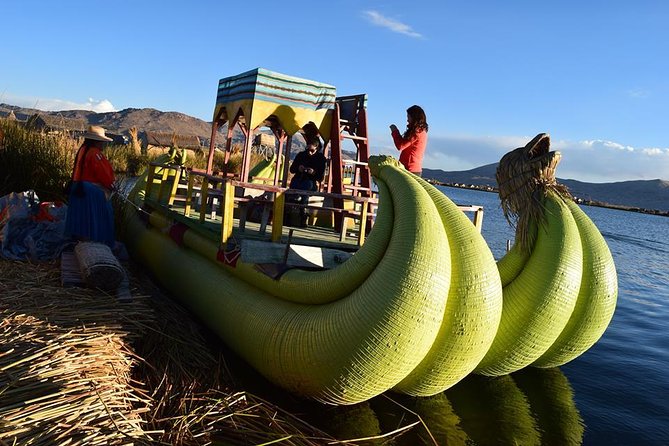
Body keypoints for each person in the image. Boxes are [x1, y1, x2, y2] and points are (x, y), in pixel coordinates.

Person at [64, 125, 116, 247]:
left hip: (78, 188)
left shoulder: (83, 149)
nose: (103, 145)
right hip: (90, 192)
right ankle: (97, 244)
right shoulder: (95, 154)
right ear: (96, 141)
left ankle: (82, 243)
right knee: (101, 216)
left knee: (82, 220)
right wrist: (112, 186)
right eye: (102, 142)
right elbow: (104, 175)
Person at [288, 138, 326, 226]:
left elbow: (320, 178)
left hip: (310, 182)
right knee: (291, 191)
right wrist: (298, 168)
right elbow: (292, 170)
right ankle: (289, 215)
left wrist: (313, 172)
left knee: (305, 191)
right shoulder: (301, 155)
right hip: (298, 180)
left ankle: (302, 216)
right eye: (308, 149)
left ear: (317, 148)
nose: (309, 152)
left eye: (312, 150)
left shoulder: (320, 158)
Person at [389, 105, 429, 176]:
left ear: (414, 118)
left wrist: (394, 131)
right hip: (413, 169)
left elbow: (400, 146)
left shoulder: (417, 132)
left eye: (408, 117)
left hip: (410, 169)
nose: (407, 120)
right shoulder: (421, 131)